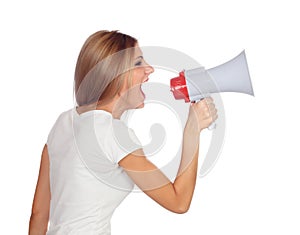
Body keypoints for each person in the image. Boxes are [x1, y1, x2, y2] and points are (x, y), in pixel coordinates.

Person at [29, 30, 218, 235]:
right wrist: (192, 130)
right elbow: (179, 201)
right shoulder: (113, 133)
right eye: (138, 63)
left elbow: (39, 214)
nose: (150, 69)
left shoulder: (63, 122)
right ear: (115, 74)